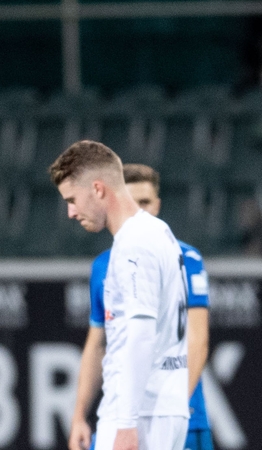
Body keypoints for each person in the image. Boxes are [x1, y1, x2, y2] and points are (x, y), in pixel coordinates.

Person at [50, 141, 190, 450]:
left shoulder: (134, 246)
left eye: (72, 199)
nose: (71, 212)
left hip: (141, 413)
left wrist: (126, 425)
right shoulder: (157, 231)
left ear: (98, 189)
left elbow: (139, 335)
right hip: (159, 407)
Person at [67, 163, 213, 450]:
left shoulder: (185, 258)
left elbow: (198, 339)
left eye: (145, 202)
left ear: (157, 205)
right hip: (123, 414)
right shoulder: (103, 266)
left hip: (174, 410)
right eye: (133, 202)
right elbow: (97, 344)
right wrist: (78, 416)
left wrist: (177, 405)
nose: (140, 210)